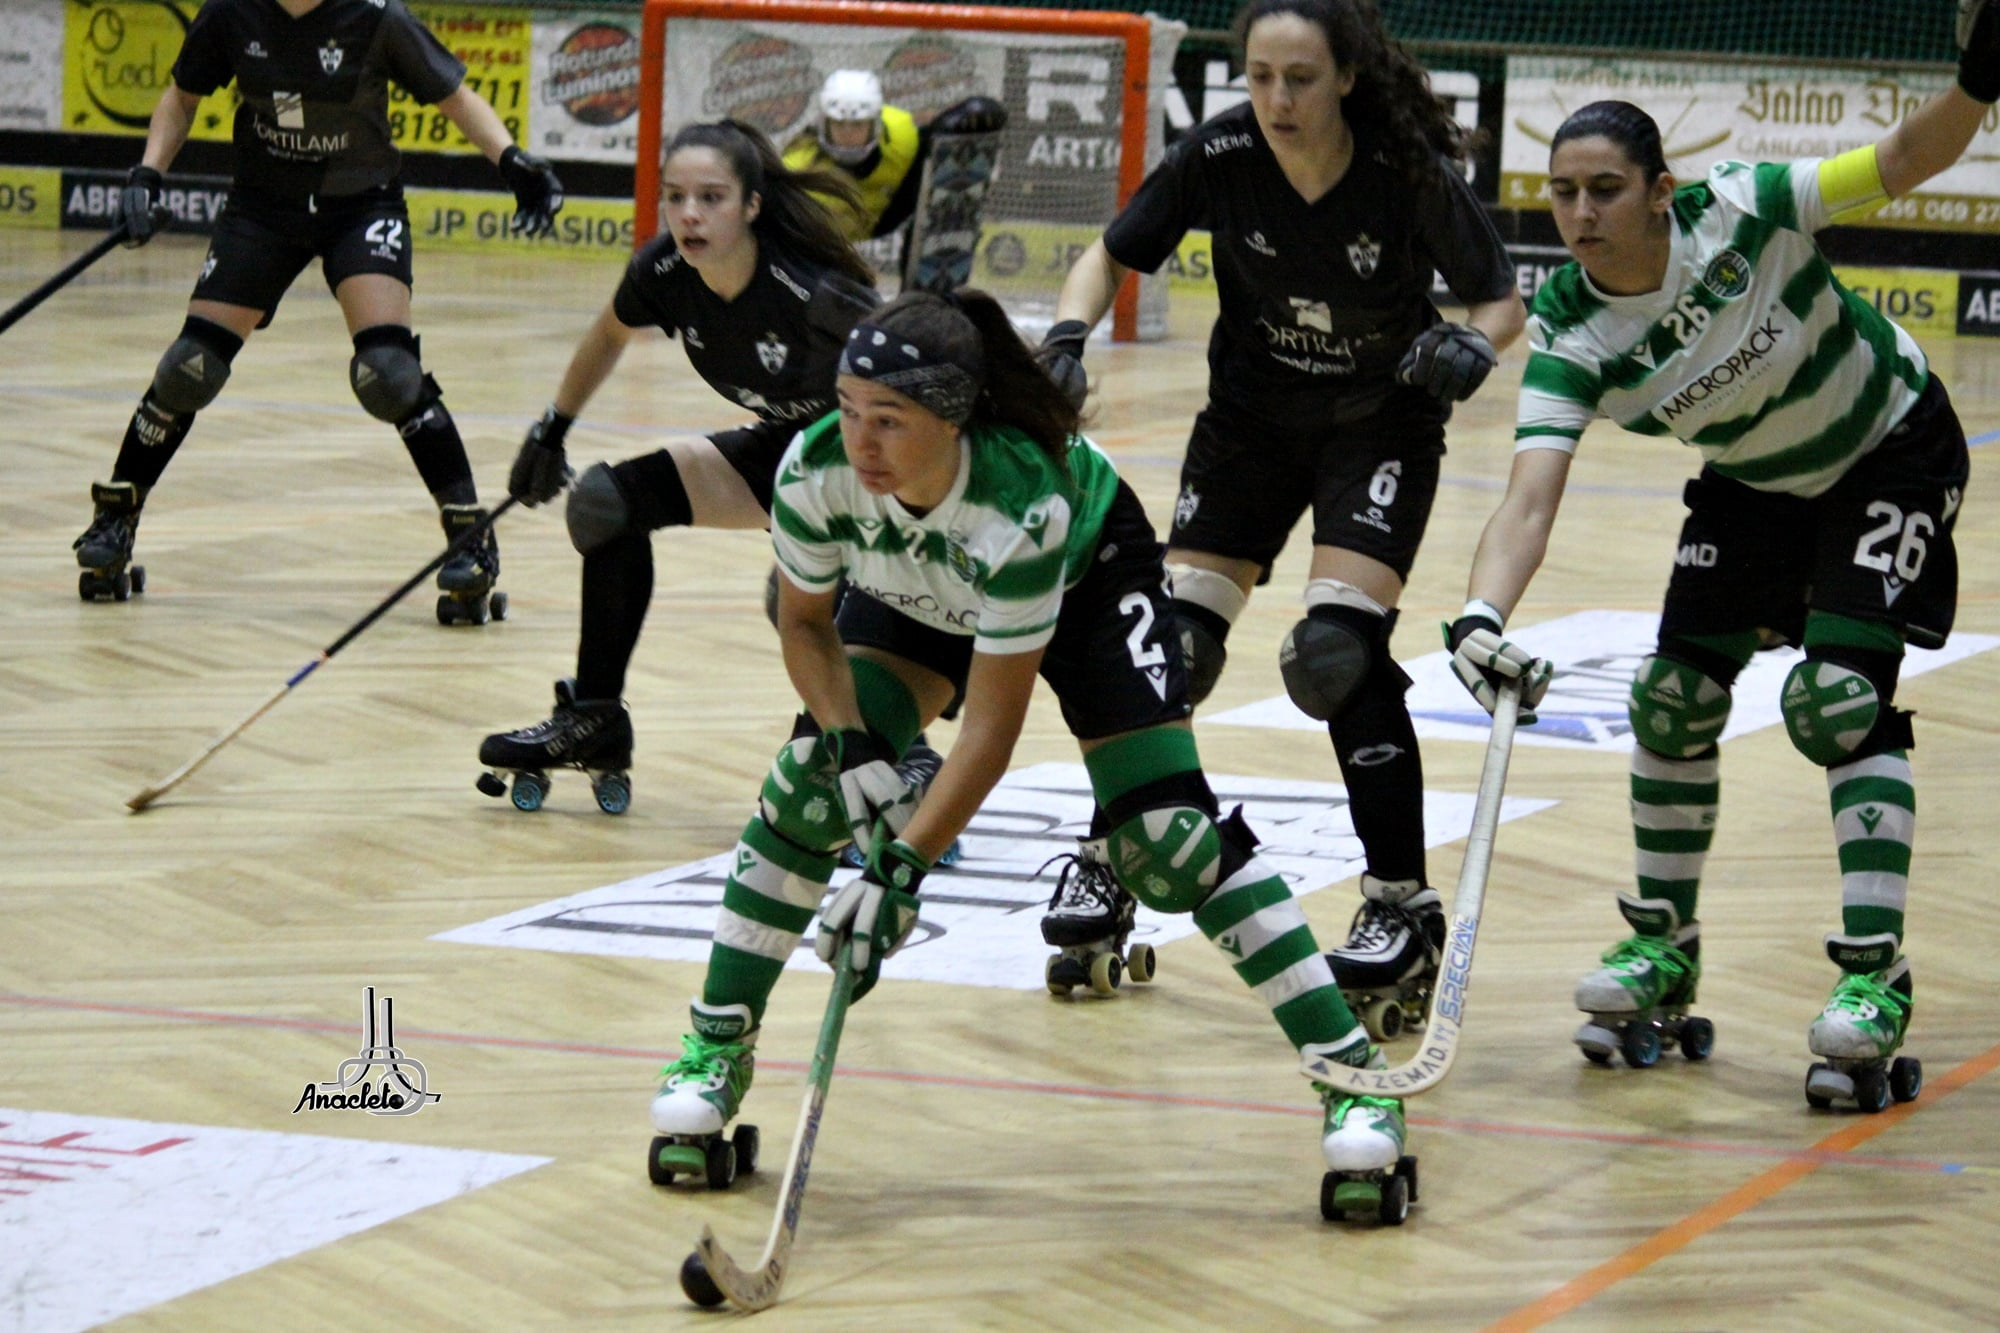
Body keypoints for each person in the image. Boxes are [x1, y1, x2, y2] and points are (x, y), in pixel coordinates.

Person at [646, 288, 1415, 1213]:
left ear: (953, 418)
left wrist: (897, 871)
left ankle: (1353, 1073)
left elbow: (990, 730)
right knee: (808, 786)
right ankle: (715, 1049)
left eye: (888, 419)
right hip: (912, 591)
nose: (860, 441)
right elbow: (805, 626)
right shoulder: (816, 469)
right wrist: (850, 749)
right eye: (848, 410)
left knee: (1168, 844)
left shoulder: (1022, 500)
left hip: (1087, 584)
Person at [1441, 21, 1995, 1106]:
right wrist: (1477, 616)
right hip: (1752, 481)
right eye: (1562, 193)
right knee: (1671, 699)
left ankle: (1873, 977)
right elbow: (1527, 498)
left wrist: (1977, 83)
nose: (1580, 213)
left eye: (1605, 189)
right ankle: (1663, 946)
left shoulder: (1744, 205)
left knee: (1835, 702)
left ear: (1661, 191)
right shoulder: (1570, 330)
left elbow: (1902, 161)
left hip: (1888, 446)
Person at [1038, 0, 1525, 1031]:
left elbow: (1499, 298)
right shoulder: (1220, 154)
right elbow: (1105, 255)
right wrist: (1066, 337)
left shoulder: (1399, 166)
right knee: (1170, 648)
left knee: (1334, 655)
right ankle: (1114, 851)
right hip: (1249, 426)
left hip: (1377, 424)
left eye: (1298, 78)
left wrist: (1473, 345)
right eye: (1258, 77)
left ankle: (1400, 904)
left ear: (1345, 76)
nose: (1275, 99)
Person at [72, 0, 564, 617]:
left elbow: (456, 98)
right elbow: (181, 98)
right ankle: (116, 517)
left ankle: (471, 538)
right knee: (188, 367)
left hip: (360, 206)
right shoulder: (231, 12)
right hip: (263, 210)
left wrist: (512, 162)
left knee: (388, 373)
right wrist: (147, 176)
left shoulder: (377, 17)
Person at [477, 120, 881, 811]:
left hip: (867, 471)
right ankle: (595, 718)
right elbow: (610, 332)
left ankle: (886, 746)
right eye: (675, 197)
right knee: (606, 503)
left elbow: (909, 374)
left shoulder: (809, 289)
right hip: (785, 451)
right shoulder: (665, 270)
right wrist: (551, 430)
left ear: (752, 206)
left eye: (711, 198)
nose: (689, 214)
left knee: (794, 598)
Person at [781, 70, 1007, 250]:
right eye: (839, 125)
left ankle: (939, 242)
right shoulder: (797, 170)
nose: (848, 134)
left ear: (875, 125)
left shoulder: (900, 135)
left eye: (858, 125)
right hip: (824, 243)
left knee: (968, 118)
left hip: (888, 213)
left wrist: (969, 120)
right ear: (824, 124)